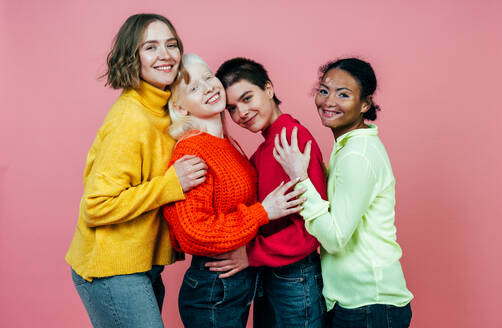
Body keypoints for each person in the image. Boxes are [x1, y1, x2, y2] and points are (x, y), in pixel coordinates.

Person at [65, 14, 208, 328]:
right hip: (110, 268)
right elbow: (96, 205)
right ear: (132, 58)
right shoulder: (130, 118)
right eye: (151, 47)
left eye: (171, 45)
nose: (165, 55)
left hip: (140, 264)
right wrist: (172, 184)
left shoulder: (164, 107)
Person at [162, 54, 305, 328]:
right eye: (194, 87)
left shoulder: (228, 145)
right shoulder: (193, 149)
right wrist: (263, 212)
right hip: (212, 291)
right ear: (180, 109)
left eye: (208, 76)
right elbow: (192, 231)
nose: (208, 87)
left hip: (236, 285)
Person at [273, 58, 413, 328]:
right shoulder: (349, 147)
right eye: (324, 90)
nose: (329, 101)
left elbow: (335, 238)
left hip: (370, 304)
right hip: (358, 302)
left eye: (344, 94)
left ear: (365, 104)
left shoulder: (357, 155)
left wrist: (300, 179)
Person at [207, 57, 327, 328]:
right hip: (272, 275)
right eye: (232, 108)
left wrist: (250, 254)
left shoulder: (292, 140)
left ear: (269, 89)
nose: (242, 113)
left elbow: (311, 229)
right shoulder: (263, 150)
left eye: (248, 98)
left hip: (295, 277)